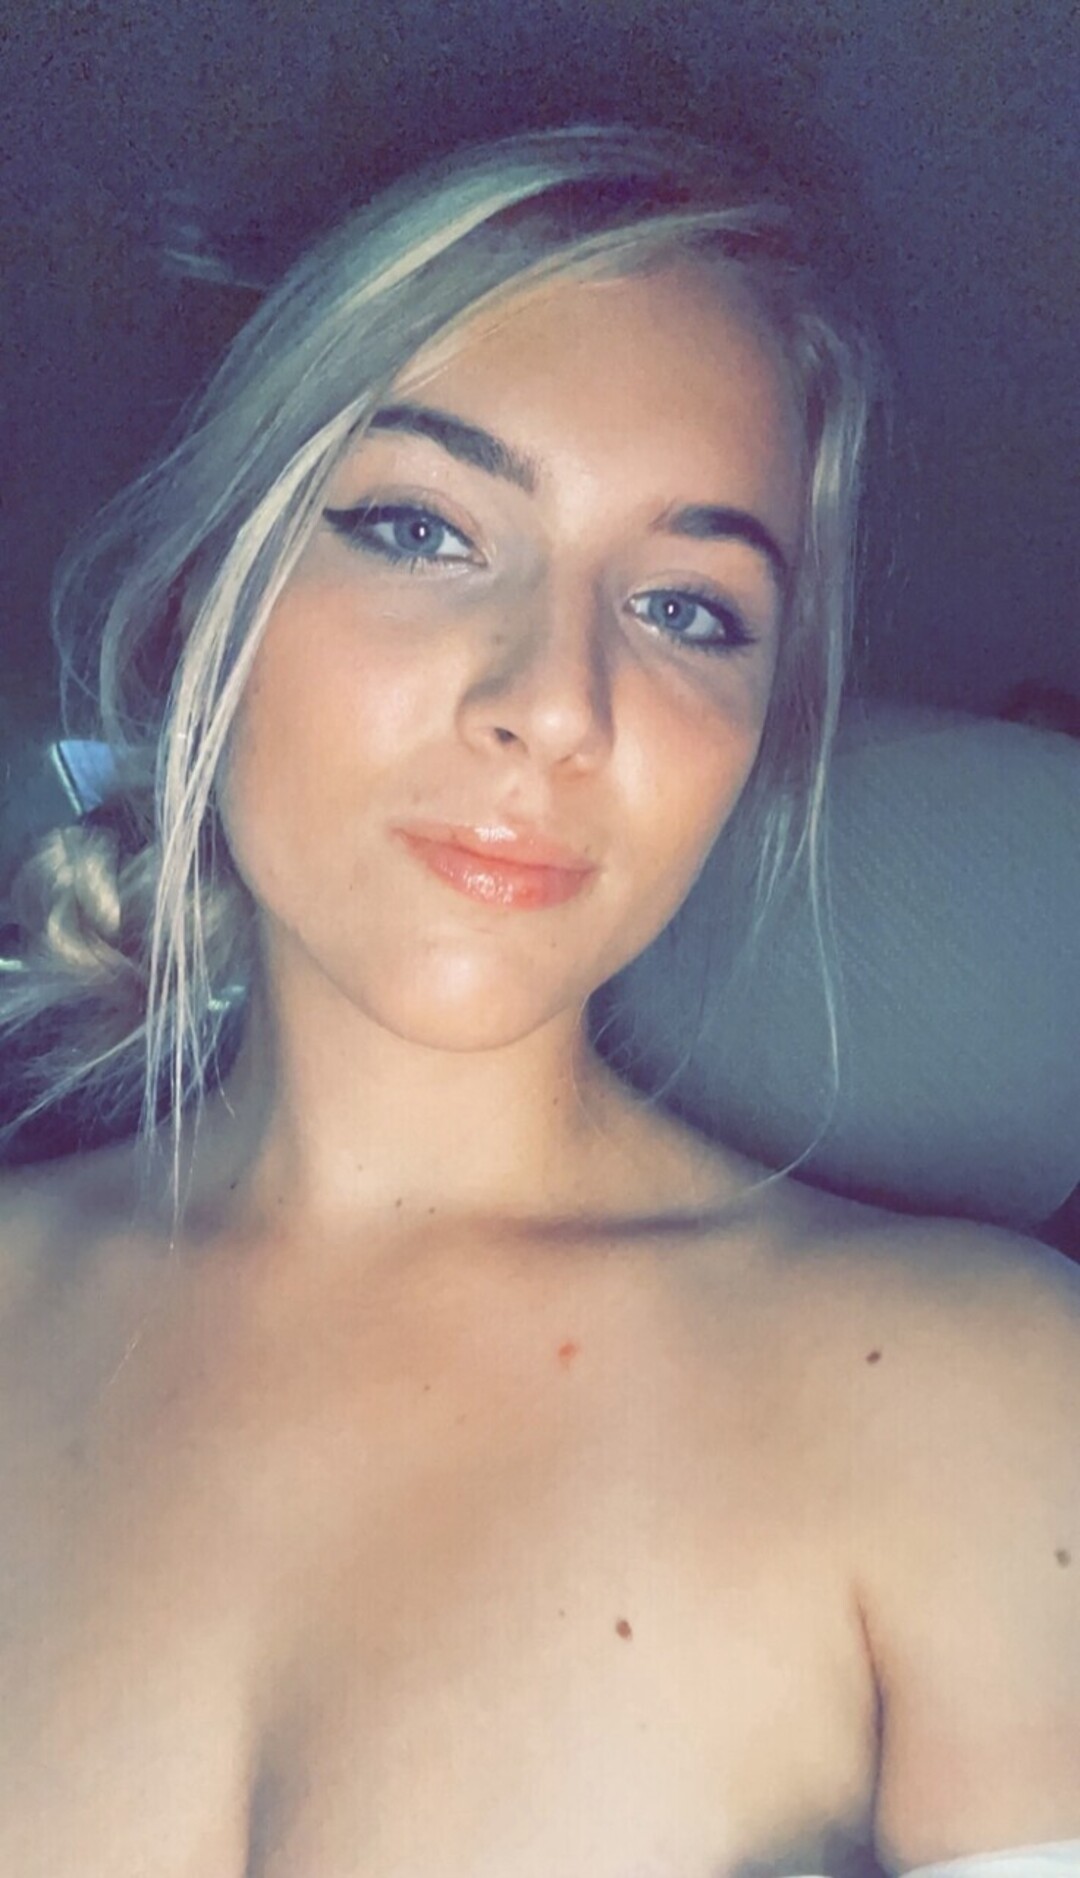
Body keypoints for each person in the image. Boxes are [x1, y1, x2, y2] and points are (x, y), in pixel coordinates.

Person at [0, 124, 1077, 1878]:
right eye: (423, 528)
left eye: (688, 608)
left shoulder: (994, 1406)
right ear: (208, 600)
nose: (558, 701)